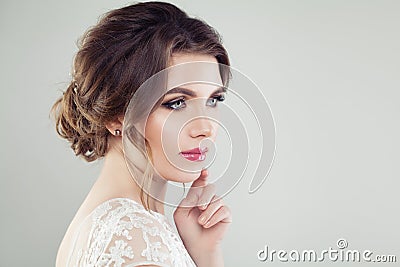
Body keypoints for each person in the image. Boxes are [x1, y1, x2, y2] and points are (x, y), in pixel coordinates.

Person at [52, 2, 232, 266]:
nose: (205, 128)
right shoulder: (135, 240)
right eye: (177, 103)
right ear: (117, 115)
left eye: (213, 100)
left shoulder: (109, 224)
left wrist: (205, 254)